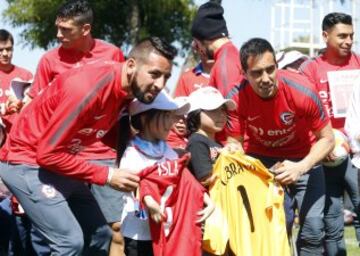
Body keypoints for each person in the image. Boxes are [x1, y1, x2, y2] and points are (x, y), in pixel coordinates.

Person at [0, 36, 177, 255]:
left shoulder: (126, 91)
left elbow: (110, 134)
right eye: (154, 74)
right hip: (24, 161)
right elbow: (47, 154)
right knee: (68, 242)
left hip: (55, 162)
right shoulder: (88, 88)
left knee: (100, 235)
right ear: (131, 65)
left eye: (166, 77)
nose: (160, 84)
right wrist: (108, 175)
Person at [8, 1, 127, 254]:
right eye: (57, 28)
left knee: (107, 231)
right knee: (60, 237)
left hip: (99, 156)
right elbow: (34, 103)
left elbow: (119, 106)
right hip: (56, 157)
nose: (58, 35)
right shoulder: (49, 60)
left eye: (66, 30)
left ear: (85, 29)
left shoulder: (113, 54)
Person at [225, 38, 334, 255]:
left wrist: (300, 167)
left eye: (270, 69)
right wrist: (236, 154)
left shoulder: (302, 89)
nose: (266, 79)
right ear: (244, 73)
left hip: (306, 160)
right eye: (257, 73)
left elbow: (328, 139)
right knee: (276, 229)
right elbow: (234, 142)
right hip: (263, 165)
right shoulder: (235, 97)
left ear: (277, 65)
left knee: (313, 230)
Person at [116, 90, 213, 255]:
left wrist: (206, 200)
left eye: (172, 116)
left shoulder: (167, 151)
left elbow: (183, 177)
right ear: (145, 118)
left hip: (165, 231)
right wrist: (149, 202)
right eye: (167, 116)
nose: (173, 122)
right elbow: (135, 183)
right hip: (139, 235)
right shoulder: (133, 152)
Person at [300, 12, 360, 254]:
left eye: (352, 36)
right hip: (327, 152)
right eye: (342, 36)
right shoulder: (310, 69)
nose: (348, 41)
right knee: (332, 218)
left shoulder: (359, 63)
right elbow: (302, 111)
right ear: (325, 36)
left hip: (356, 153)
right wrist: (325, 140)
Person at [186, 86, 236, 187]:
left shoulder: (218, 144)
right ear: (196, 113)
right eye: (214, 110)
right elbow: (207, 179)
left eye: (223, 110)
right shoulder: (197, 141)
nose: (222, 114)